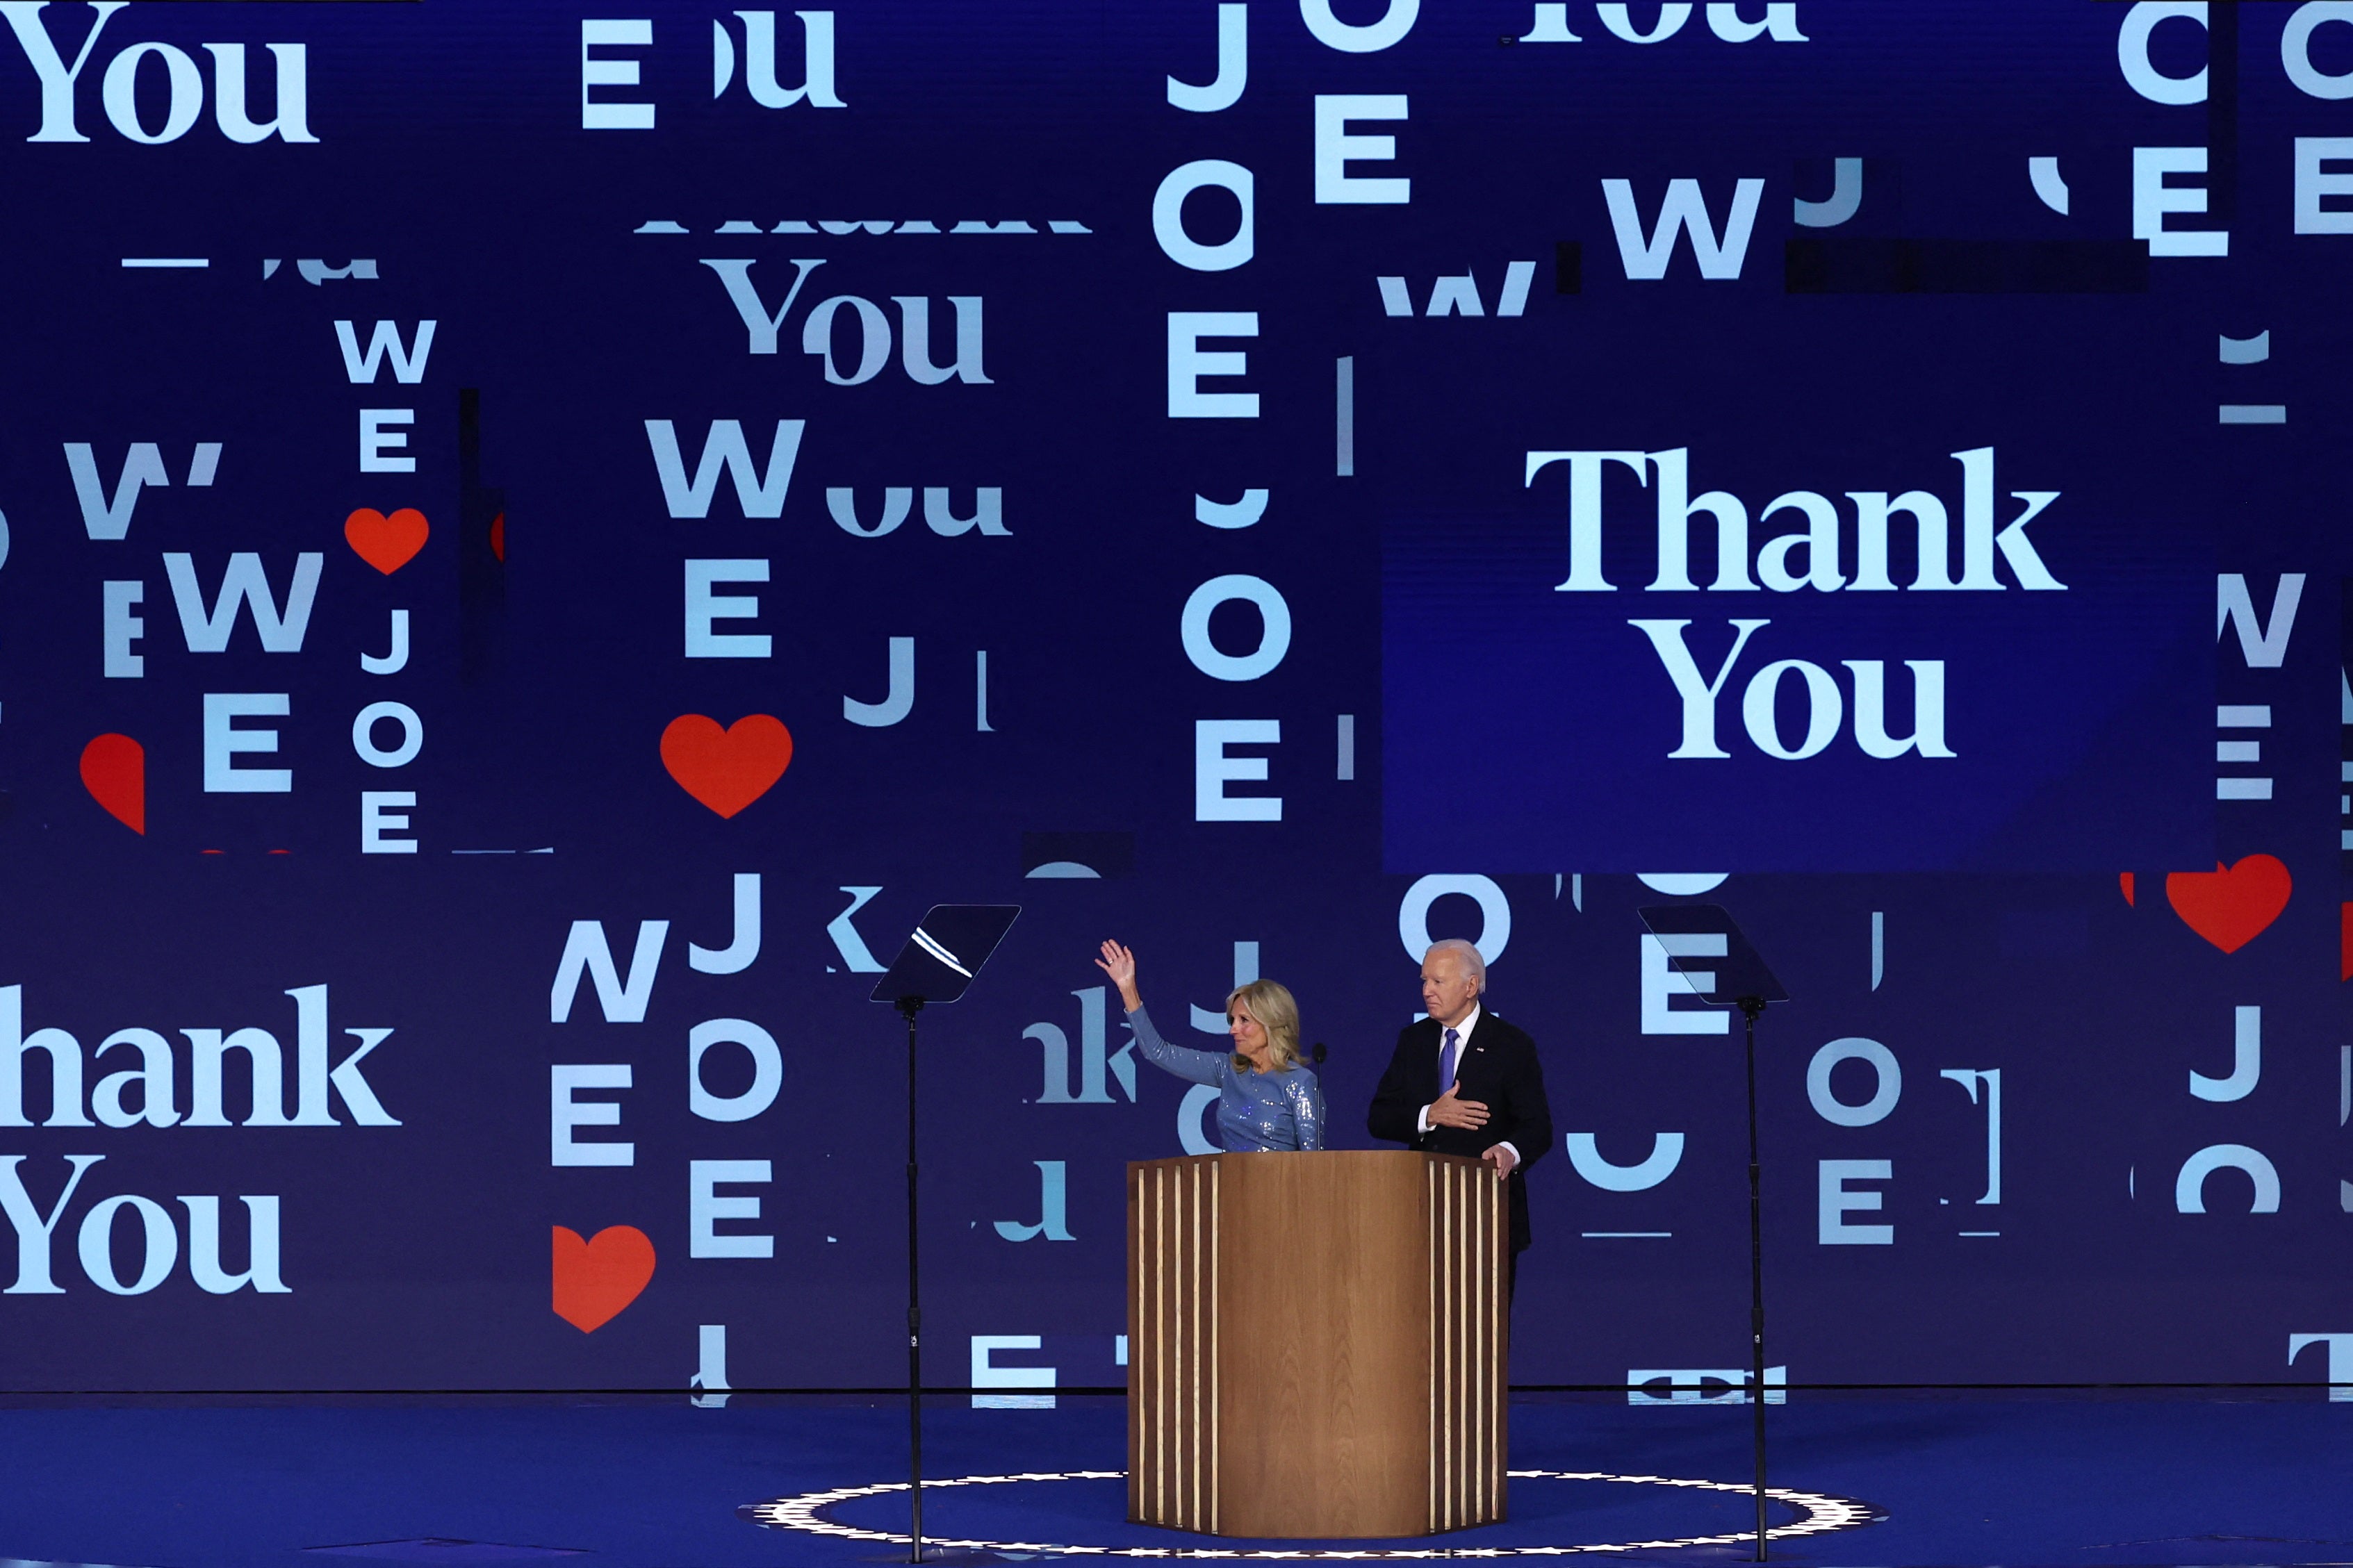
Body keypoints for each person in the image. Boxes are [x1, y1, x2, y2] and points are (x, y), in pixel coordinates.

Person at [1368, 939, 1553, 1296]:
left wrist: (1508, 1151)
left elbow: (1538, 1126)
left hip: (1488, 1212)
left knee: (1483, 1329)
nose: (1427, 991)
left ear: (1471, 987)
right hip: (1422, 1210)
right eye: (1424, 981)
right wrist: (1429, 1114)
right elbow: (1379, 1117)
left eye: (1438, 982)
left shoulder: (1511, 1045)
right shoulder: (1413, 1041)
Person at [1094, 939, 1325, 1152]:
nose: (1233, 1029)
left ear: (1272, 1023)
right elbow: (1159, 1052)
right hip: (1231, 1191)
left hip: (1281, 1194)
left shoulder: (1301, 1082)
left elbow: (1314, 1165)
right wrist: (1128, 990)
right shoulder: (1228, 1070)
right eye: (1232, 1020)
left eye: (1244, 1021)